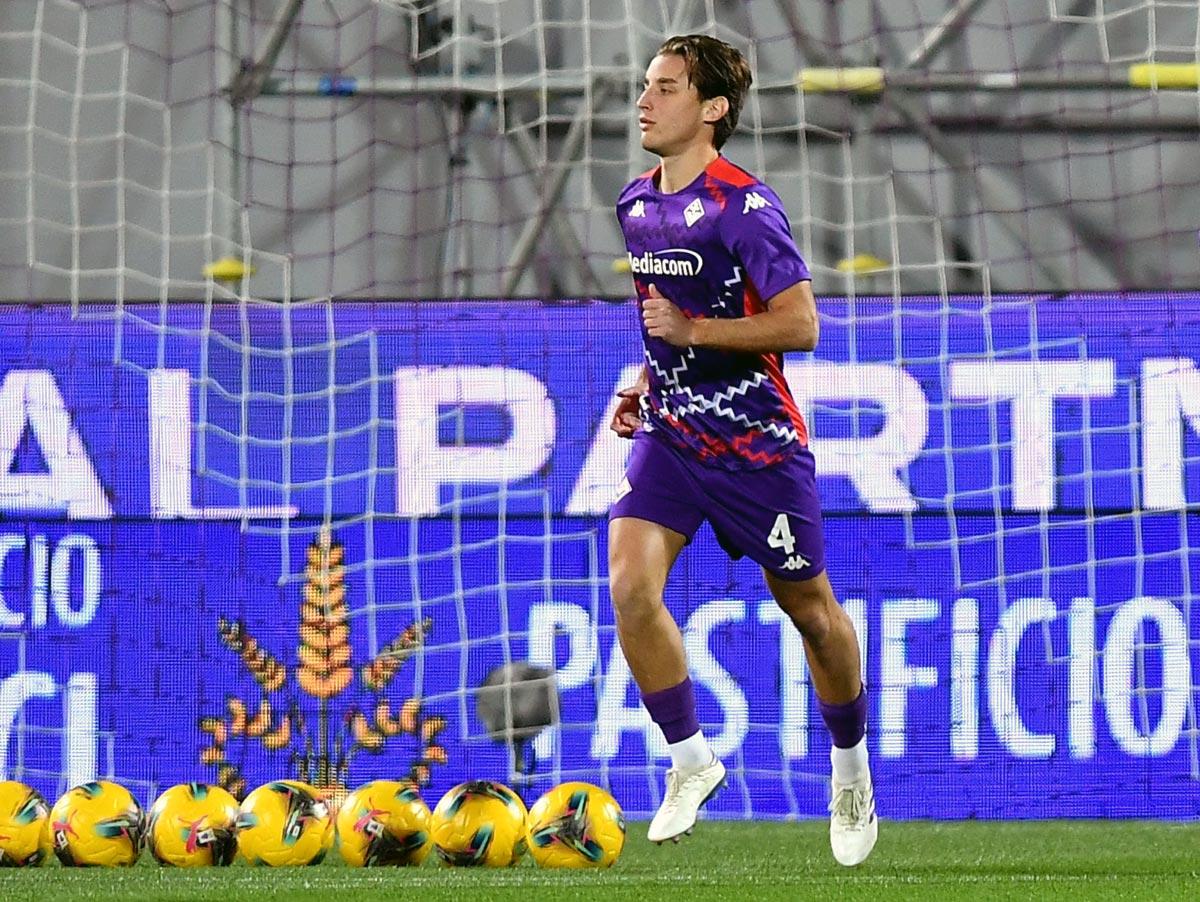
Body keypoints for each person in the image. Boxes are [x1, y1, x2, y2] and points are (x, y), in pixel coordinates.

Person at [609, 34, 876, 866]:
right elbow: (666, 326)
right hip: (675, 434)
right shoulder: (635, 203)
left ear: (713, 108)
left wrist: (696, 332)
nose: (645, 101)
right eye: (645, 86)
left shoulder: (743, 205)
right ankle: (690, 763)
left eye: (666, 87)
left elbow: (801, 323)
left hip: (757, 445)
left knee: (813, 614)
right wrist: (648, 381)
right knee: (629, 582)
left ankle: (851, 770)